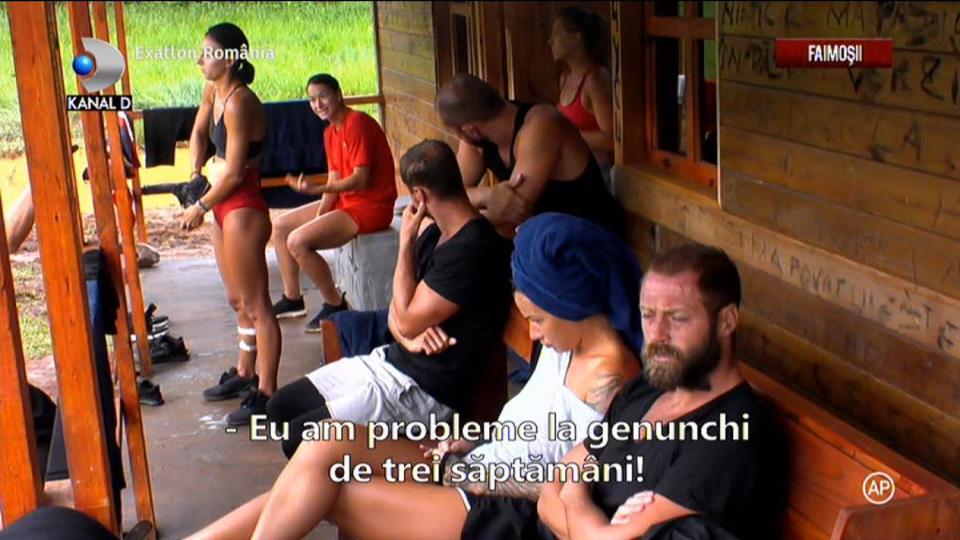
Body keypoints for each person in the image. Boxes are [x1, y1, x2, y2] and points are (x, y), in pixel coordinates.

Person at [188, 212, 645, 540]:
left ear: (574, 304)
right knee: (328, 441)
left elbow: (580, 486)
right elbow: (540, 428)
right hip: (476, 463)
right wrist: (475, 439)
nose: (534, 333)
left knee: (334, 488)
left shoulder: (615, 383)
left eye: (539, 320)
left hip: (495, 508)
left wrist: (465, 470)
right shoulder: (568, 342)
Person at [263, 139, 512, 458]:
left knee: (298, 439)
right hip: (390, 362)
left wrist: (405, 242)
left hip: (424, 390)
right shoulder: (436, 234)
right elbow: (398, 317)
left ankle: (348, 483)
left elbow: (403, 319)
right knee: (279, 407)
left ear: (419, 196)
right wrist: (408, 336)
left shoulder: (472, 247)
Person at [536, 244, 786, 540]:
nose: (656, 334)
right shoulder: (646, 389)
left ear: (726, 321)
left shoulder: (731, 433)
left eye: (677, 318)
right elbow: (551, 488)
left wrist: (574, 492)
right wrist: (580, 508)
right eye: (648, 315)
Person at [178, 23, 281, 426]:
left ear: (230, 59)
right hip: (222, 202)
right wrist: (194, 172)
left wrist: (200, 205)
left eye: (208, 53)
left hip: (241, 205)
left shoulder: (240, 102)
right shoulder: (213, 91)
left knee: (257, 304)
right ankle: (244, 372)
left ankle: (268, 394)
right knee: (236, 300)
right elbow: (198, 131)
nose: (200, 59)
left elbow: (236, 173)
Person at [270, 73, 397, 332]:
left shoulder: (357, 122)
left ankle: (335, 303)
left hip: (372, 206)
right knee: (281, 226)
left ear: (338, 95)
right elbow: (334, 179)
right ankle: (293, 298)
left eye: (323, 96)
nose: (318, 104)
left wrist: (318, 189)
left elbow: (361, 180)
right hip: (346, 202)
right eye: (312, 99)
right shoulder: (330, 132)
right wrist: (321, 215)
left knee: (297, 241)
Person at [436, 73, 624, 237]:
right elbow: (448, 195)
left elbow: (511, 214)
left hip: (591, 244)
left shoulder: (541, 126)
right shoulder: (476, 139)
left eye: (458, 134)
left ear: (471, 130)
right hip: (543, 243)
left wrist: (464, 208)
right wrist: (486, 195)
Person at [550, 7, 614, 171]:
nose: (550, 41)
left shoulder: (595, 79)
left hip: (595, 173)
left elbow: (611, 139)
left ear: (576, 38)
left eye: (556, 34)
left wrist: (564, 136)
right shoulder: (564, 78)